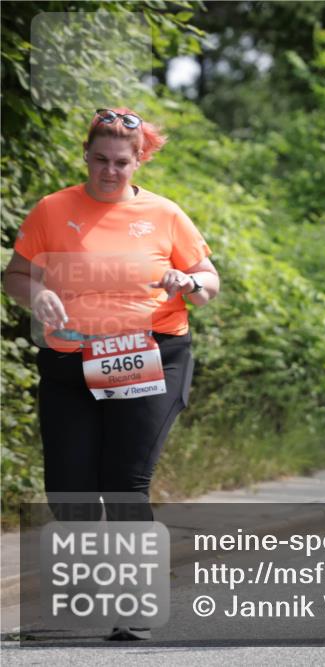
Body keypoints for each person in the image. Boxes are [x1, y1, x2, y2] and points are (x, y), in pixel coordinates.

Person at [2, 107, 219, 640]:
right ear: (85, 156)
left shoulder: (166, 214)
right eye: (99, 160)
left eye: (121, 162)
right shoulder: (54, 210)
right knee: (70, 489)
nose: (109, 171)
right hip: (70, 362)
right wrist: (41, 293)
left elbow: (209, 280)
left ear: (139, 159)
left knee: (123, 482)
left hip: (150, 357)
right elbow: (16, 276)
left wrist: (188, 284)